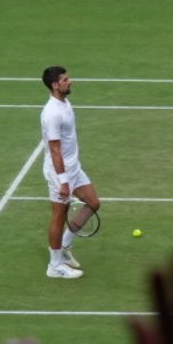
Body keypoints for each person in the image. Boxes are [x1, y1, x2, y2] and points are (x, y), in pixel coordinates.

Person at [39, 66, 100, 280]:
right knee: (58, 216)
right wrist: (63, 181)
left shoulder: (64, 102)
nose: (70, 81)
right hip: (59, 173)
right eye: (65, 79)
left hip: (74, 167)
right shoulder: (52, 113)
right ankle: (54, 266)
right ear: (55, 85)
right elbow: (55, 150)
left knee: (93, 202)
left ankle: (65, 246)